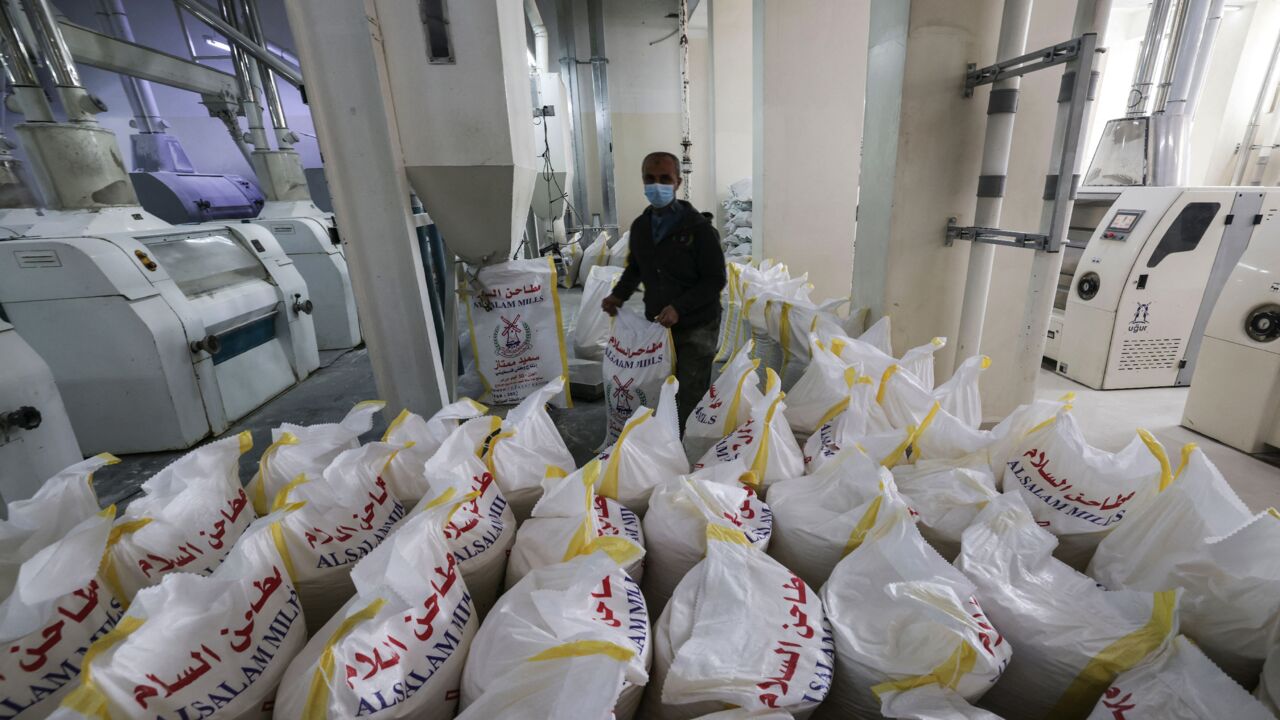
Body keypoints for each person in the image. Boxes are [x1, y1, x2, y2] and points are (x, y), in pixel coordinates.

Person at [602, 151, 727, 433]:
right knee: (659, 389)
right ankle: (662, 445)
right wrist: (618, 295)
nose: (656, 185)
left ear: (677, 183)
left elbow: (714, 280)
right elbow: (636, 267)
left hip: (697, 327)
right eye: (650, 179)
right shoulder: (642, 226)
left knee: (688, 393)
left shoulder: (699, 230)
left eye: (664, 179)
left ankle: (684, 454)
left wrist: (679, 308)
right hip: (657, 327)